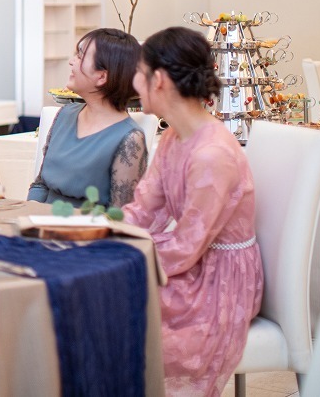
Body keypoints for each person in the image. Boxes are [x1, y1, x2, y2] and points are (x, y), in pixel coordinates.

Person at [123, 26, 263, 396]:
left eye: (139, 72)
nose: (133, 81)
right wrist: (102, 233)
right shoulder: (173, 136)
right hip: (191, 262)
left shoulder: (211, 153)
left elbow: (186, 247)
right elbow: (143, 209)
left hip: (217, 281)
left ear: (159, 80)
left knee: (117, 302)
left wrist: (126, 258)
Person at [27, 28, 147, 207]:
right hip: (40, 220)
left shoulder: (130, 138)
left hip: (87, 224)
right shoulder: (64, 114)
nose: (71, 61)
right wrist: (29, 213)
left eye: (80, 56)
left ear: (102, 76)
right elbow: (41, 184)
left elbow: (121, 214)